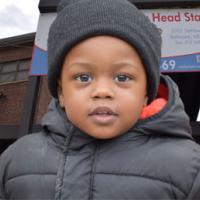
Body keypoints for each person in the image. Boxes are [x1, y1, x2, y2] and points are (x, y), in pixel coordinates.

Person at [1, 0, 200, 199]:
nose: (102, 91)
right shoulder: (16, 160)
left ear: (146, 94)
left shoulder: (188, 169)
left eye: (122, 77)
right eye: (83, 77)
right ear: (61, 93)